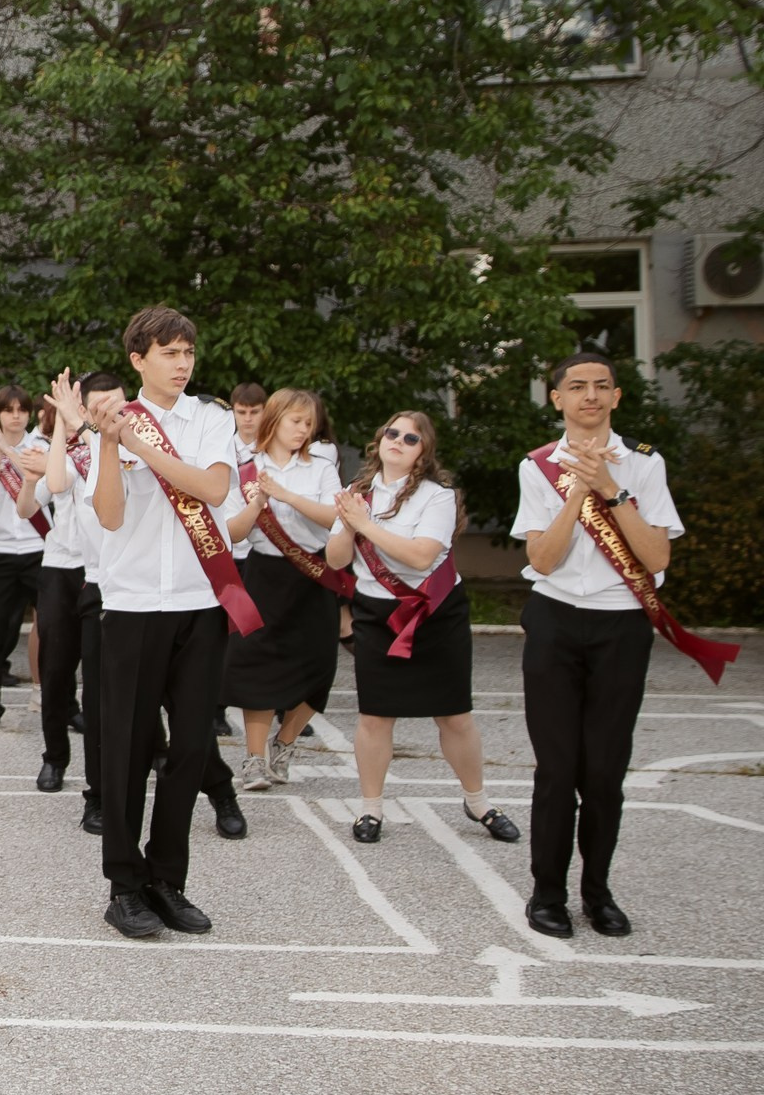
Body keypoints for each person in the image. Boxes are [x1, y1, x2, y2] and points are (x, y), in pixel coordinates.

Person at [514, 349, 733, 939]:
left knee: (605, 771)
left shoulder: (645, 463)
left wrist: (610, 488)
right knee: (557, 769)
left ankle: (598, 893)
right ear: (556, 398)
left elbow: (656, 556)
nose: (589, 395)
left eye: (601, 385)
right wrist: (576, 493)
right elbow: (542, 559)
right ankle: (547, 894)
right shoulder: (537, 466)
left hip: (621, 624)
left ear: (616, 396)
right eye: (576, 386)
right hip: (555, 621)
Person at [83, 307, 252, 940]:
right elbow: (108, 515)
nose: (183, 364)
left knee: (190, 748)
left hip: (199, 602)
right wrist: (109, 443)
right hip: (132, 606)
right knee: (127, 749)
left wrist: (140, 446)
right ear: (139, 360)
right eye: (169, 353)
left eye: (188, 352)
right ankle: (124, 886)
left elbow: (212, 489)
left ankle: (167, 880)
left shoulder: (209, 419)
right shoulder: (113, 423)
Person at [328, 410, 510, 851]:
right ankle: (371, 807)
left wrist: (365, 524)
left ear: (423, 451)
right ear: (380, 439)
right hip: (377, 614)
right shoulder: (357, 494)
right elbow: (335, 560)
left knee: (454, 715)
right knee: (375, 716)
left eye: (410, 438)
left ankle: (477, 801)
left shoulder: (437, 496)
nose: (398, 441)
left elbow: (420, 556)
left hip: (435, 612)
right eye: (392, 433)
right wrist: (348, 527)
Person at [221, 388, 345, 791]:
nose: (304, 430)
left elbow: (335, 517)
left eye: (309, 423)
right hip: (265, 575)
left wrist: (286, 495)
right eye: (296, 421)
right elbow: (233, 532)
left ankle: (285, 742)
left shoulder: (320, 466)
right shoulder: (245, 468)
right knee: (257, 664)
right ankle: (255, 759)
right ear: (274, 420)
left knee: (320, 667)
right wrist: (257, 503)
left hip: (314, 576)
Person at [39, 371, 124, 823]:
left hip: (113, 576)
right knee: (56, 669)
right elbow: (51, 485)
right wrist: (62, 424)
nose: (109, 413)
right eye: (98, 407)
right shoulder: (73, 452)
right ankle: (55, 757)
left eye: (116, 404)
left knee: (113, 684)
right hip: (63, 567)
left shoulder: (133, 448)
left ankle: (153, 752)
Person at [0, 384, 49, 733]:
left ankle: (64, 703)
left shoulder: (43, 447)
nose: (16, 416)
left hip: (40, 552)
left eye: (22, 410)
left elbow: (44, 481)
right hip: (0, 554)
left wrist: (7, 448)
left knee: (55, 629)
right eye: (8, 410)